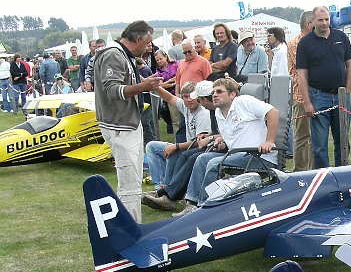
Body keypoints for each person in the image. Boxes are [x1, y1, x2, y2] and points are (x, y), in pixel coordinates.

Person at [93, 20, 164, 223]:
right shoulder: (114, 54)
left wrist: (143, 84)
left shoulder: (121, 54)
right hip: (120, 126)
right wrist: (142, 87)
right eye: (148, 43)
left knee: (133, 180)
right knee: (130, 184)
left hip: (126, 123)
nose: (149, 47)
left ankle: (131, 224)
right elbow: (112, 90)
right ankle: (132, 229)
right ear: (138, 39)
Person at [178, 77, 279, 216]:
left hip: (259, 157)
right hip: (238, 155)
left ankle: (204, 209)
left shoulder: (244, 101)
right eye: (213, 92)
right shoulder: (218, 113)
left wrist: (269, 141)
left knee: (214, 163)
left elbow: (273, 112)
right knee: (202, 158)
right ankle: (192, 203)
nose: (214, 95)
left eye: (219, 91)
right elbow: (234, 136)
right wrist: (223, 142)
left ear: (232, 94)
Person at [296, 5, 351, 168]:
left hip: (341, 96)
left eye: (327, 19)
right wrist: (307, 103)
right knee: (319, 146)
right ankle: (323, 178)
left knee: (342, 142)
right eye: (320, 20)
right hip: (318, 97)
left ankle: (342, 175)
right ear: (312, 21)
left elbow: (350, 65)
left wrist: (347, 92)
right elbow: (302, 75)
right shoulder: (305, 43)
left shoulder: (341, 37)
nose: (324, 23)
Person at [142, 81, 212, 211]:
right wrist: (155, 87)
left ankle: (167, 194)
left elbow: (200, 142)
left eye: (192, 96)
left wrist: (176, 146)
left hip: (197, 148)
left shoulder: (203, 113)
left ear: (198, 97)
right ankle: (160, 188)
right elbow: (169, 97)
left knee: (177, 153)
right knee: (152, 146)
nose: (189, 100)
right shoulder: (185, 106)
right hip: (189, 146)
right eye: (185, 96)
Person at [288, 10, 314, 172]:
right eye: (317, 21)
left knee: (314, 137)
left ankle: (311, 170)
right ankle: (299, 171)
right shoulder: (296, 42)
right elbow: (305, 68)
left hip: (315, 94)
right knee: (302, 136)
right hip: (301, 96)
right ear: (309, 24)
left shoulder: (314, 40)